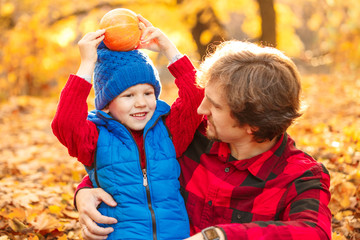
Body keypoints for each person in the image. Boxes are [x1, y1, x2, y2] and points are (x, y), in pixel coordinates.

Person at [74, 40, 332, 240]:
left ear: (252, 125)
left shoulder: (301, 176)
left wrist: (218, 236)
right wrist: (85, 192)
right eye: (205, 97)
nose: (201, 110)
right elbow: (133, 163)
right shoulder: (192, 139)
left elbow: (313, 232)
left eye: (216, 106)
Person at [51, 14, 204, 240]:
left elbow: (196, 97)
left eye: (148, 92)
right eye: (128, 95)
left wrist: (169, 49)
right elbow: (65, 124)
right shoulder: (96, 137)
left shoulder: (169, 130)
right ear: (107, 104)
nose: (141, 102)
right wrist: (86, 65)